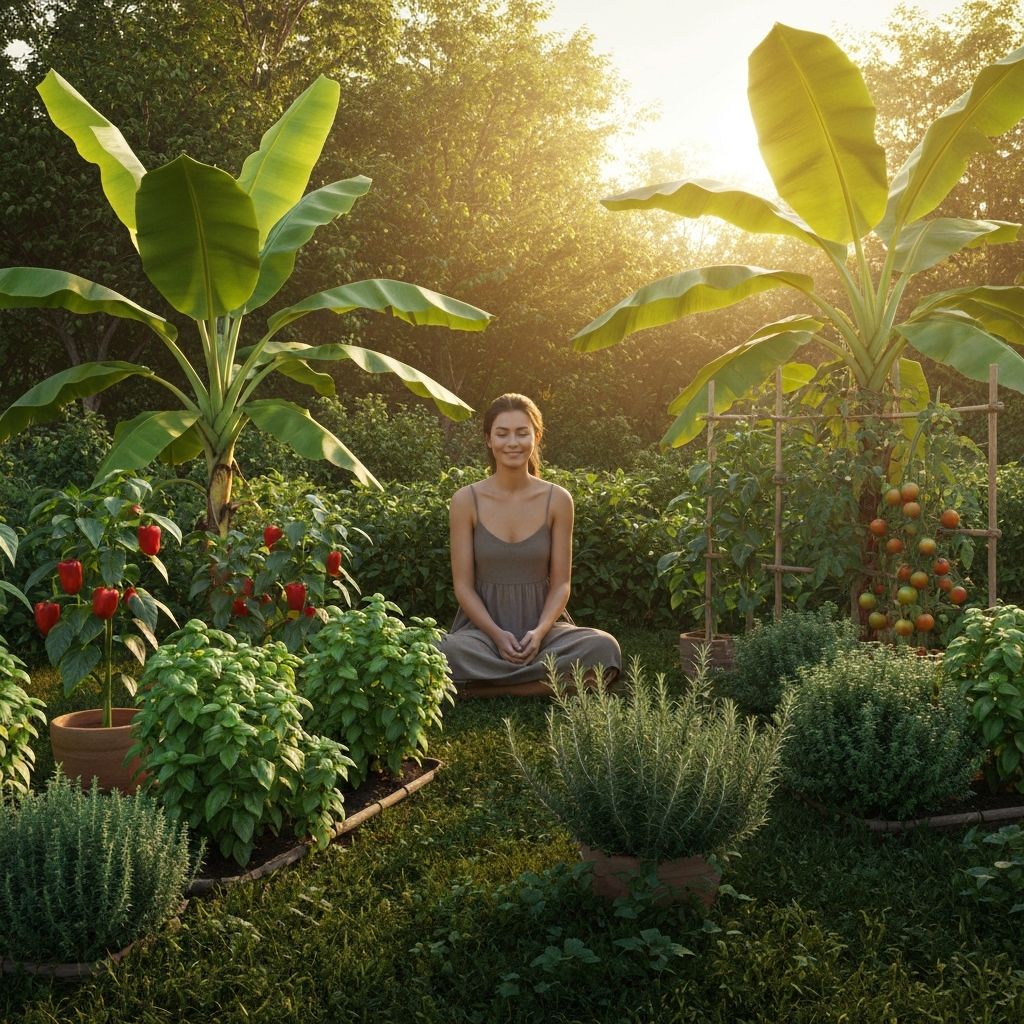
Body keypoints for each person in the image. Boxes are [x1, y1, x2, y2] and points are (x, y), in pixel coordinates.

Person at [438, 393, 621, 697]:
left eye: (522, 433)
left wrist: (538, 634)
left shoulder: (558, 500)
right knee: (438, 650)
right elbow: (463, 587)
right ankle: (547, 685)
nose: (513, 442)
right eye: (502, 433)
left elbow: (562, 584)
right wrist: (497, 636)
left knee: (603, 646)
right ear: (488, 440)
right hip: (482, 633)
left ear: (536, 437)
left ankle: (479, 690)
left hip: (544, 631)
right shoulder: (465, 500)